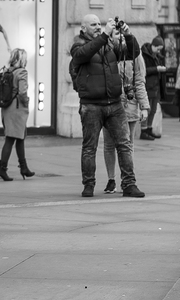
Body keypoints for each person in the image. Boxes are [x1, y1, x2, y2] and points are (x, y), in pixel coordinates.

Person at [70, 14, 145, 198]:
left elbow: (133, 52)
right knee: (90, 147)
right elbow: (84, 54)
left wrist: (128, 34)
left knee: (124, 145)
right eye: (93, 24)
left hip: (114, 103)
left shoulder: (109, 43)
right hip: (91, 105)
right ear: (83, 28)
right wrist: (105, 34)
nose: (97, 27)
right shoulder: (78, 45)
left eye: (99, 24)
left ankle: (129, 184)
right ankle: (88, 185)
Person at [102, 31, 150, 194]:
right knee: (109, 144)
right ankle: (111, 180)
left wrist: (144, 106)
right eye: (116, 34)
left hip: (129, 105)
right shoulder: (105, 52)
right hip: (110, 105)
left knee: (128, 145)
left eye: (122, 34)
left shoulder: (135, 54)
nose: (120, 37)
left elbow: (140, 80)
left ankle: (127, 180)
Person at [0, 48, 35, 181]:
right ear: (22, 59)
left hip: (7, 107)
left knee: (20, 137)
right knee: (11, 138)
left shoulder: (7, 71)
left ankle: (24, 167)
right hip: (17, 109)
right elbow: (23, 92)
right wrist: (27, 102)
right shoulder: (22, 72)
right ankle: (2, 169)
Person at [140, 36, 166, 140]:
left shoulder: (158, 56)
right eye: (158, 48)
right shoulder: (144, 55)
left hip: (156, 86)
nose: (159, 51)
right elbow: (144, 70)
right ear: (153, 46)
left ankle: (149, 129)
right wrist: (157, 69)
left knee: (154, 110)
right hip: (148, 86)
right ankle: (144, 130)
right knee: (147, 109)